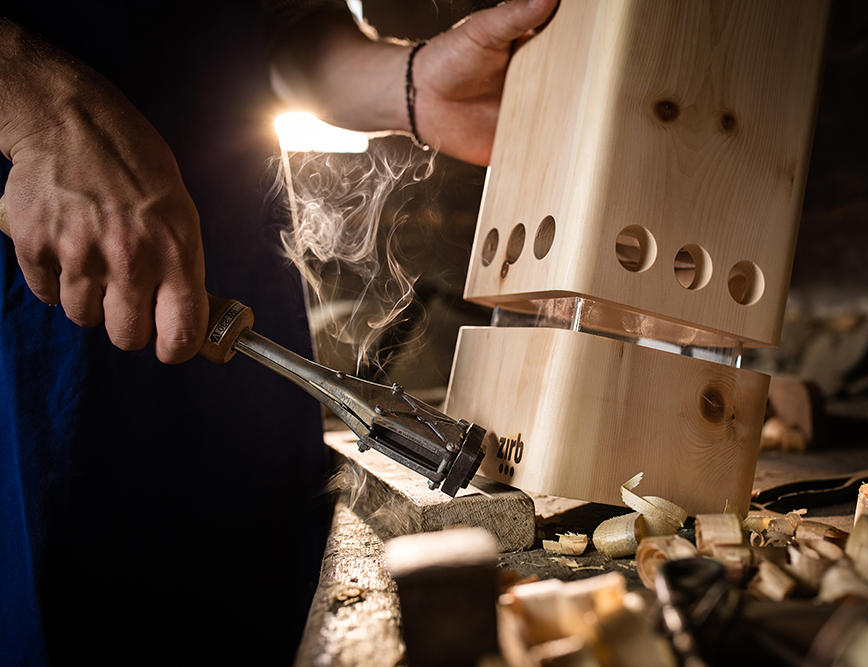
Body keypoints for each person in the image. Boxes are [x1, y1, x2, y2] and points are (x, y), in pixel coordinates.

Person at [0, 0, 557, 665]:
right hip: (47, 301)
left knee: (268, 611)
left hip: (234, 269)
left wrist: (409, 84)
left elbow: (278, 30)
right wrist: (41, 111)